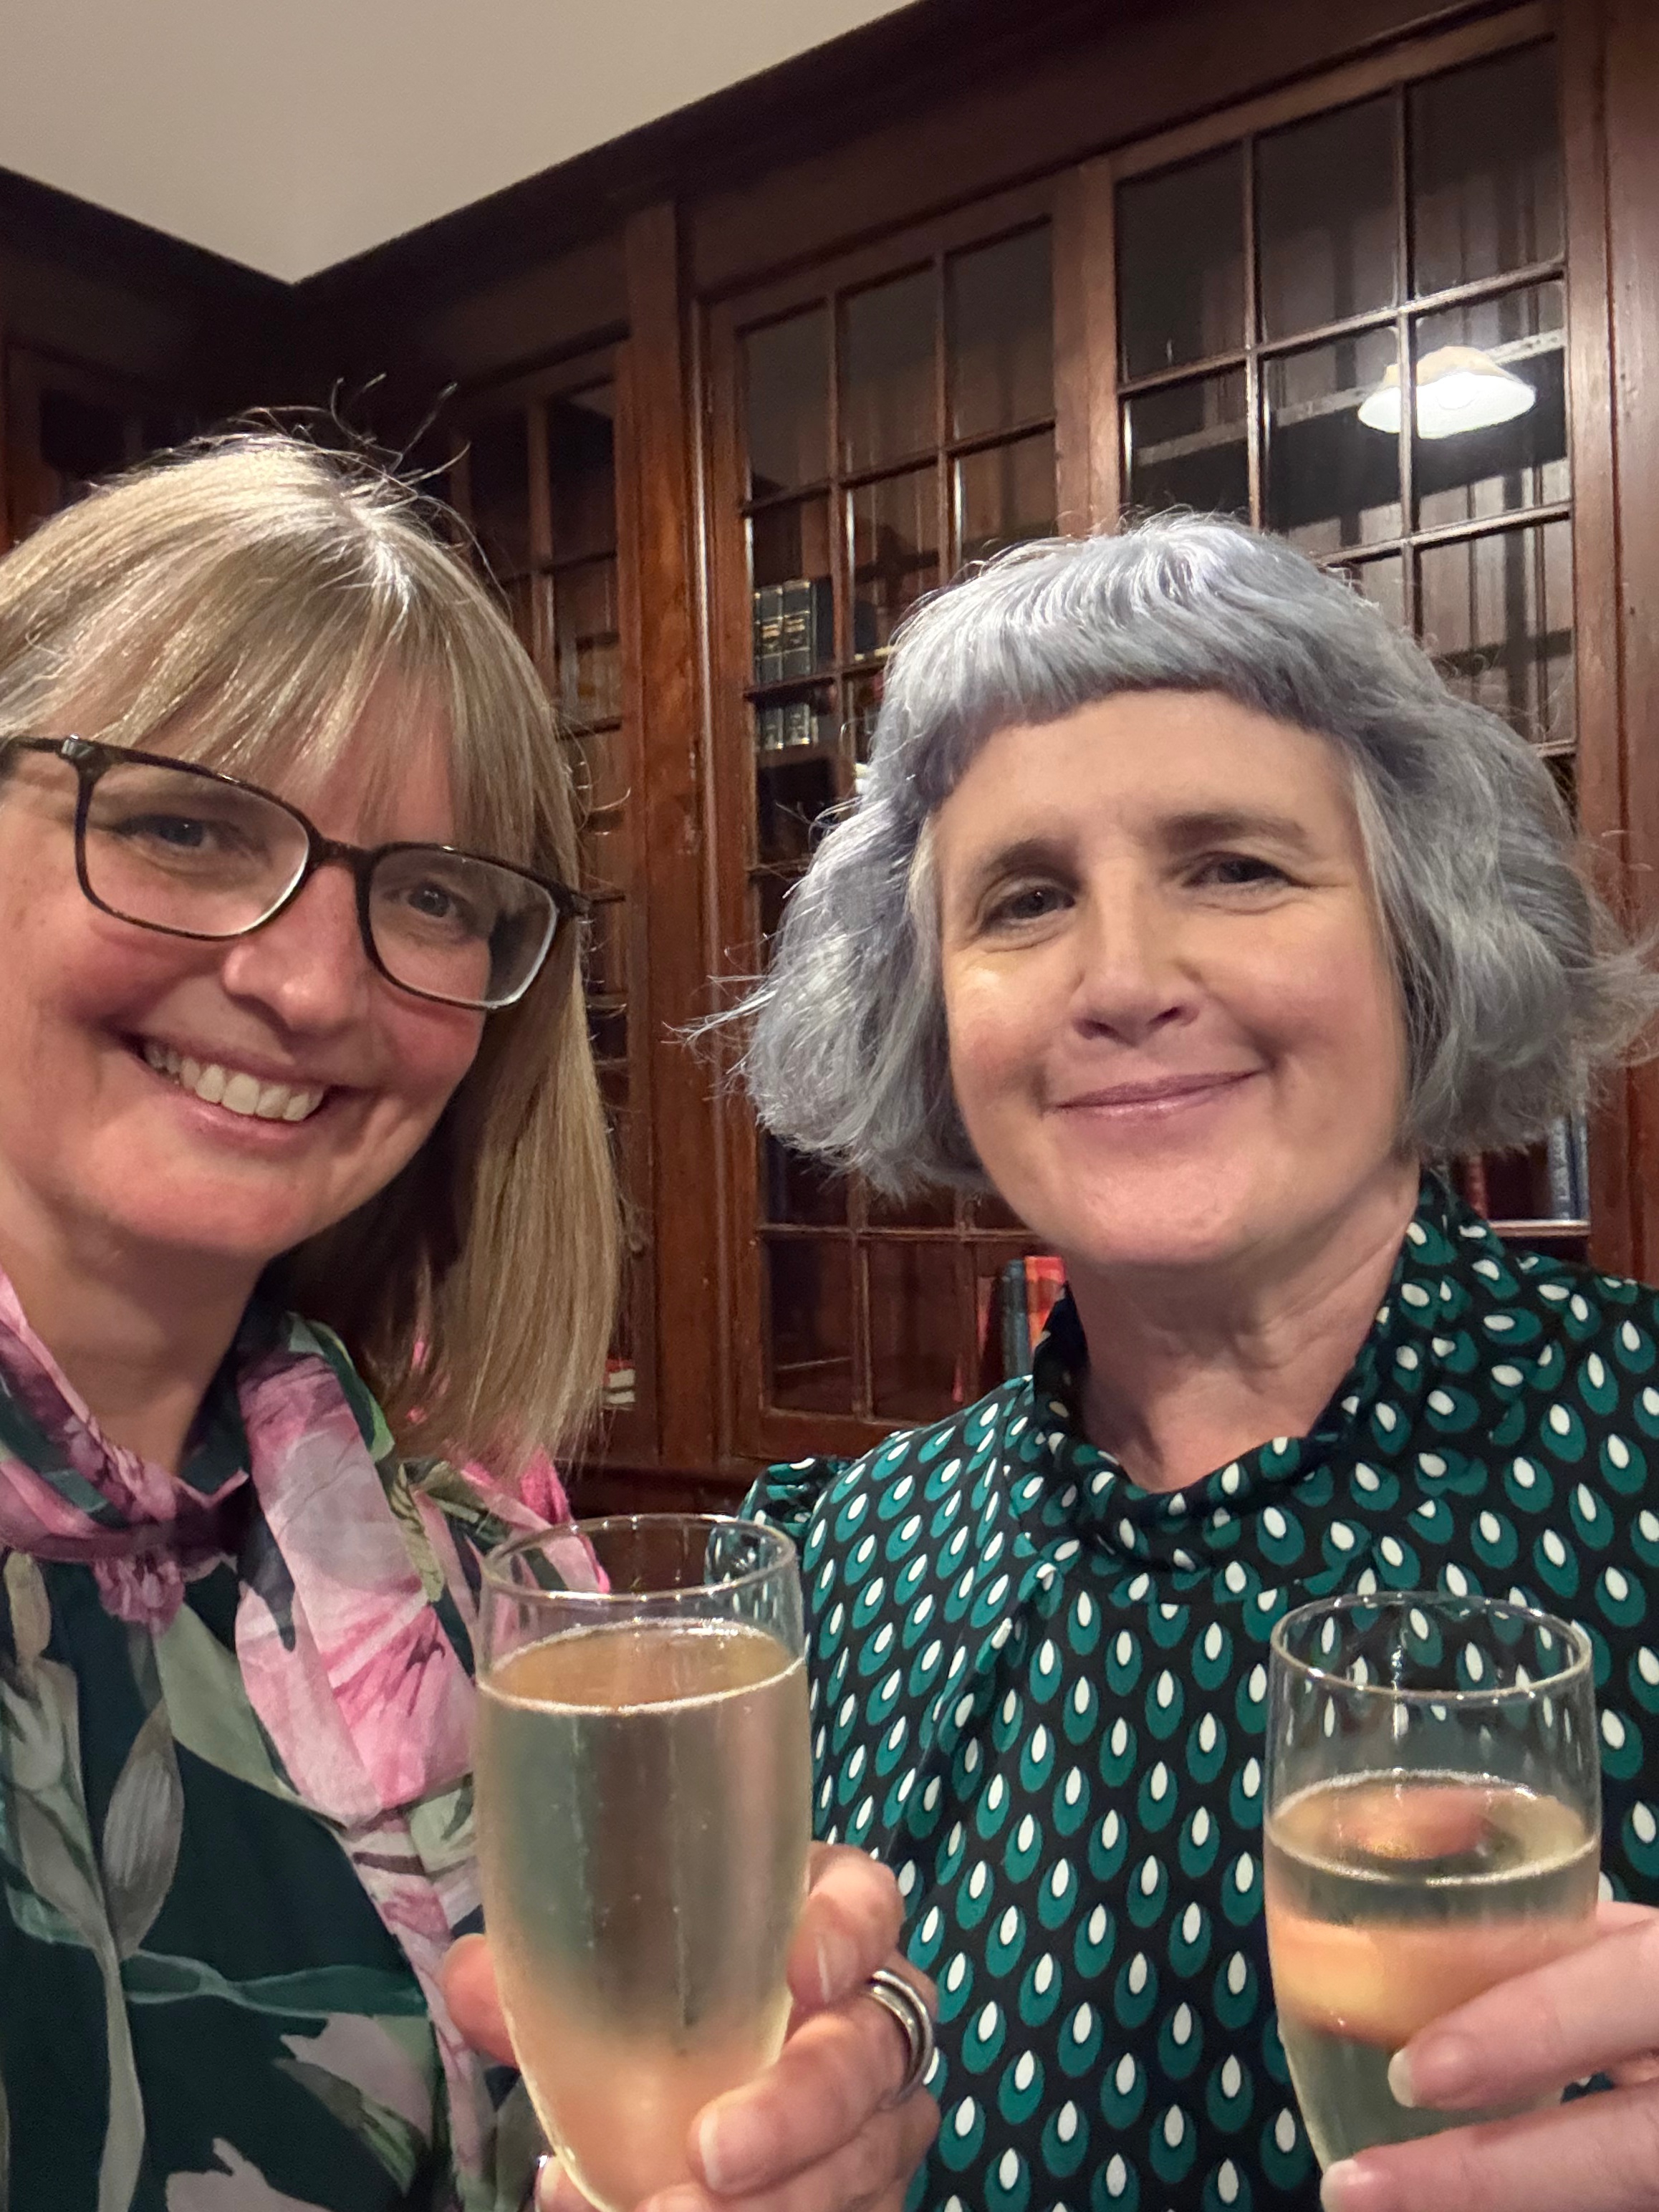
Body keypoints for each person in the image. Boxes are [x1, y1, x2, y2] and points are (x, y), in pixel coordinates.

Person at [0, 434, 934, 2212]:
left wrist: (828, 2079)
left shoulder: (484, 1573)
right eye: (185, 823)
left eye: (429, 892)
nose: (304, 980)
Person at [715, 517, 1659, 2212]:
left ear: (1422, 939)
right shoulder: (837, 1571)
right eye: (1024, 899)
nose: (1124, 979)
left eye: (1234, 864)